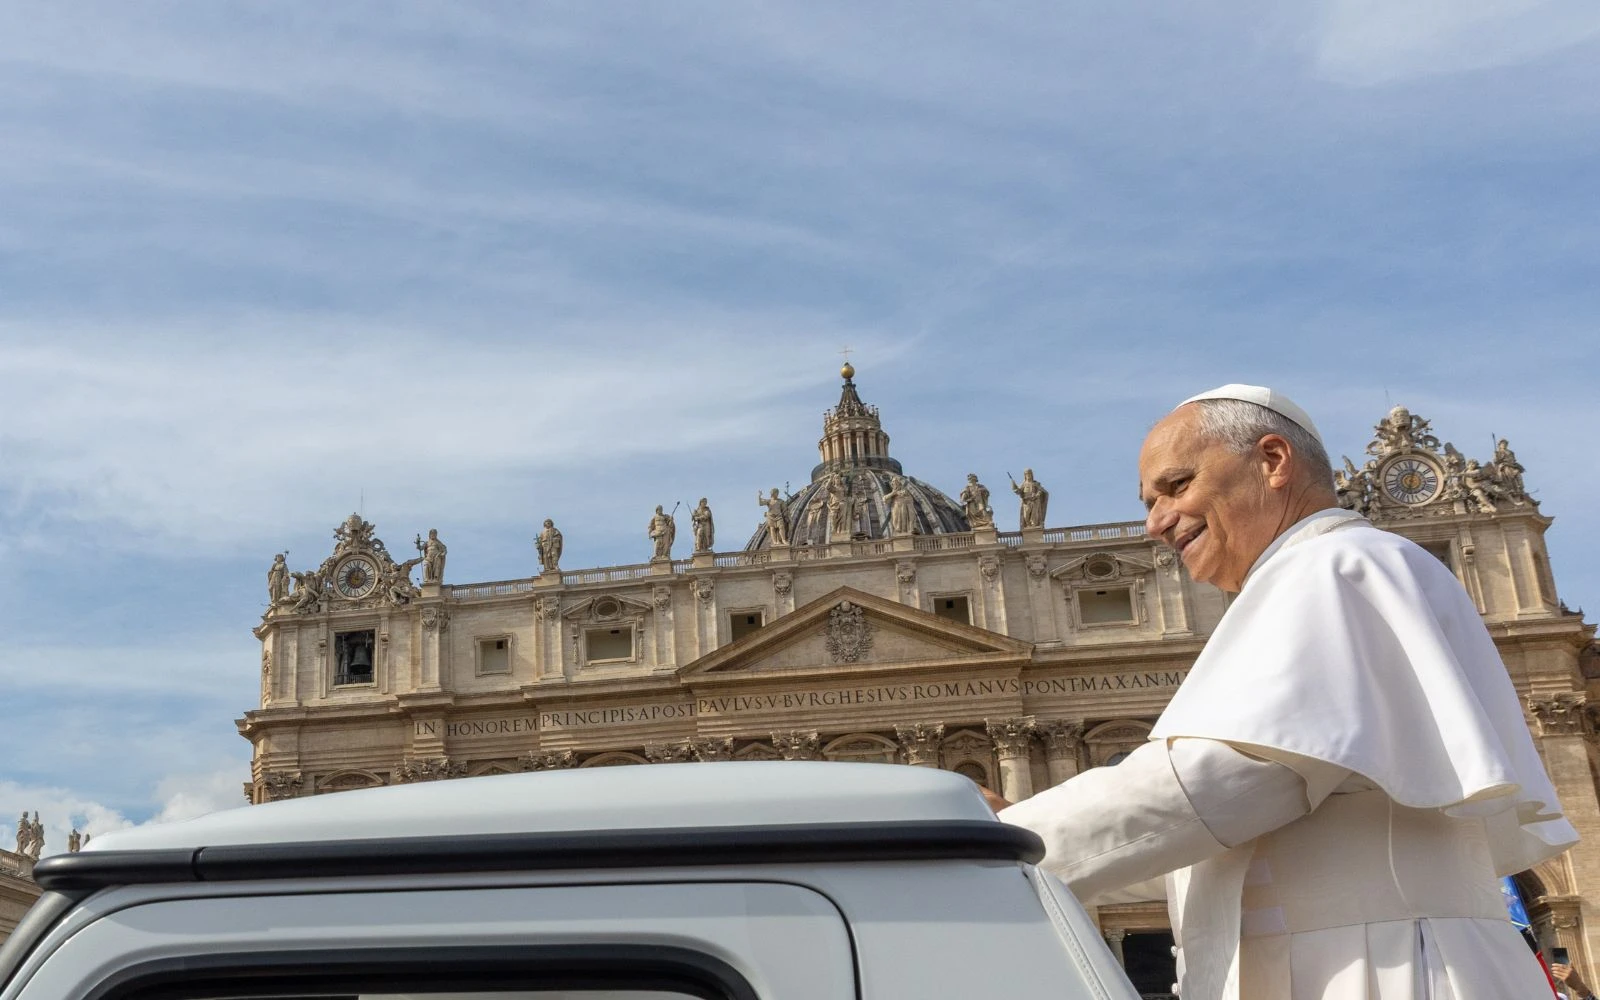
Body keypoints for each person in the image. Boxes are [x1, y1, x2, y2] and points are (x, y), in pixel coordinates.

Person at [989, 384, 1577, 1000]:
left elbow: (1228, 781)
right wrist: (1017, 842)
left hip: (1386, 971)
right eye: (1150, 502)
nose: (1156, 523)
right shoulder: (1310, 578)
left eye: (1177, 486)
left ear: (1273, 461)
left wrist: (997, 835)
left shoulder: (1337, 565)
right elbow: (1212, 843)